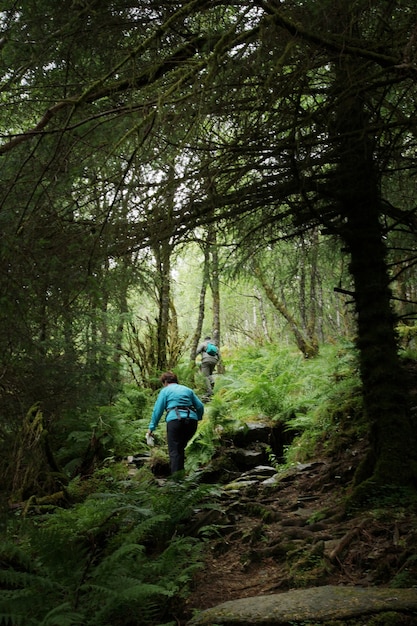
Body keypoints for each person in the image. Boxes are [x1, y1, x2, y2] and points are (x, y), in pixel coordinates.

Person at [147, 371, 204, 475]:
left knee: (175, 451)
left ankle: (176, 483)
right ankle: (182, 476)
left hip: (175, 421)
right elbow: (200, 406)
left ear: (165, 382)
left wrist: (151, 428)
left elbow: (158, 410)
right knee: (180, 448)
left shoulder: (165, 391)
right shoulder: (188, 390)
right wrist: (198, 418)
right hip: (191, 421)